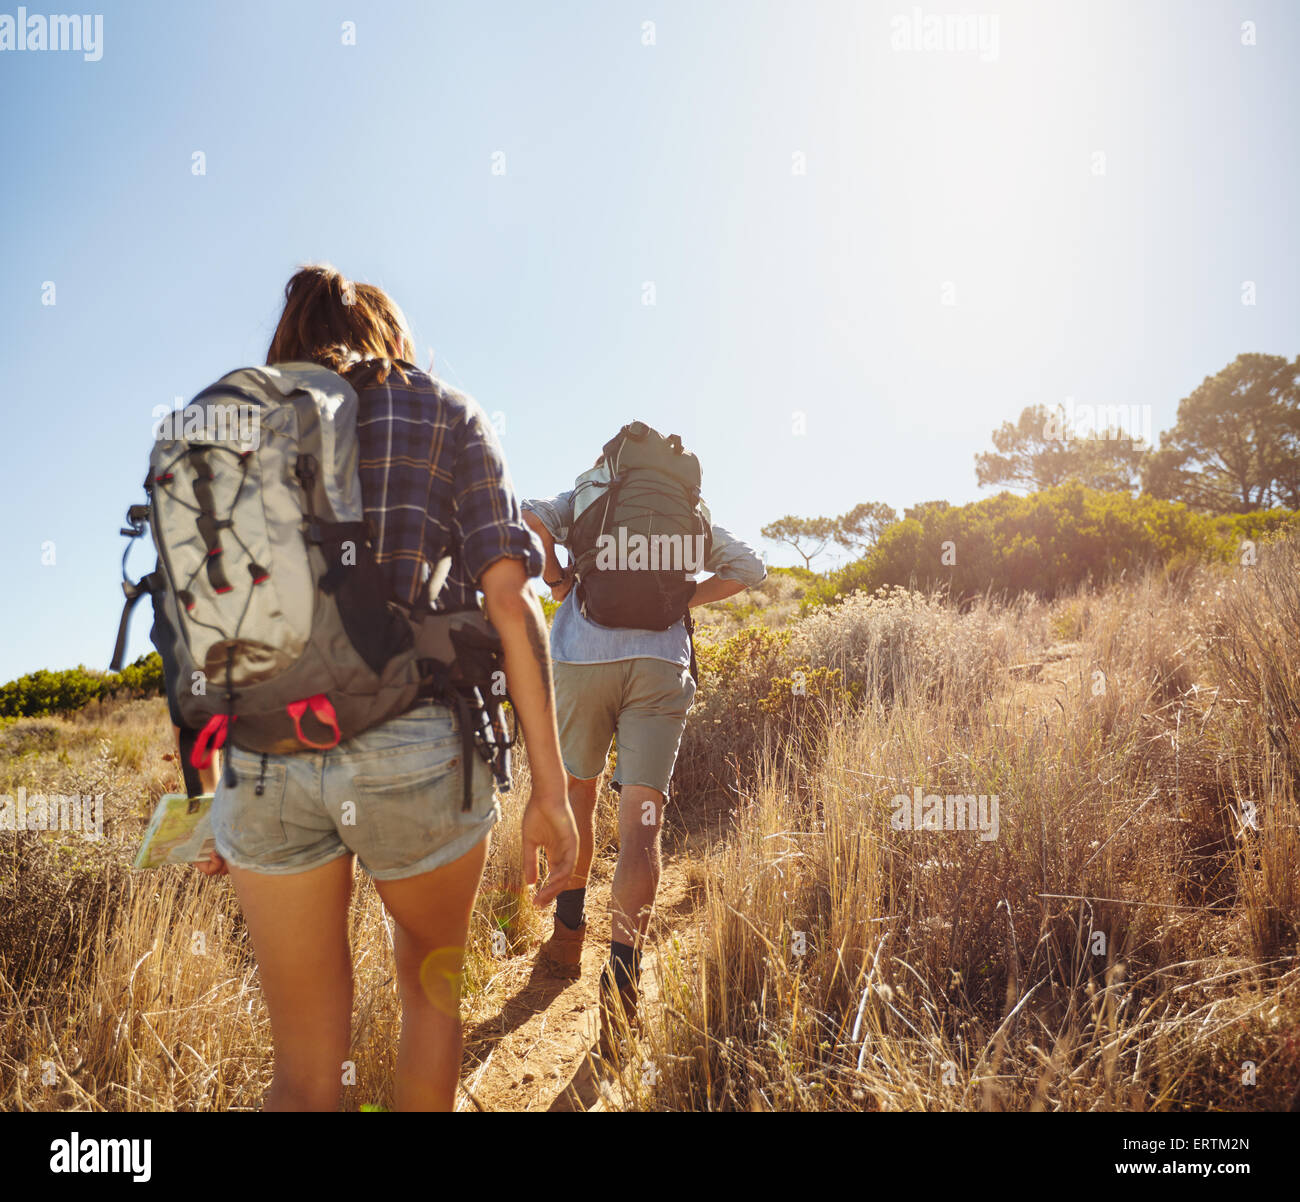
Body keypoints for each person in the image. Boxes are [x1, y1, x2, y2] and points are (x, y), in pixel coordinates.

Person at [194, 264, 578, 1111]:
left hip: (269, 753)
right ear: (391, 336)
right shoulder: (445, 409)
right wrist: (551, 792)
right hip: (415, 743)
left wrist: (217, 792)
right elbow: (512, 603)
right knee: (430, 999)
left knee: (300, 1072)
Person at [522, 455, 765, 1055]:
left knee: (579, 791)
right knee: (642, 826)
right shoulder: (692, 511)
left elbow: (528, 513)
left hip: (580, 660)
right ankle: (624, 983)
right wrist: (680, 601)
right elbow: (751, 568)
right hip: (661, 666)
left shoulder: (589, 493)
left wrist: (557, 576)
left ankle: (566, 940)